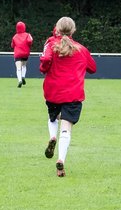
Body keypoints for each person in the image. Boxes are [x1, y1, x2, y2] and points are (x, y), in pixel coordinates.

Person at [39, 17, 96, 178]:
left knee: (53, 117)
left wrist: (44, 67)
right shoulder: (81, 49)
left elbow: (45, 62)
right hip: (73, 93)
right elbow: (93, 68)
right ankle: (61, 160)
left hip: (53, 92)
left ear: (56, 28)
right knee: (66, 127)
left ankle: (52, 136)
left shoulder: (51, 44)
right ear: (73, 30)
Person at [10, 20, 33, 88]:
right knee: (24, 66)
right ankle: (23, 76)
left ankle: (20, 80)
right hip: (25, 53)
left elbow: (12, 45)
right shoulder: (27, 35)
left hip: (17, 54)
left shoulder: (15, 36)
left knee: (18, 68)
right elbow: (30, 41)